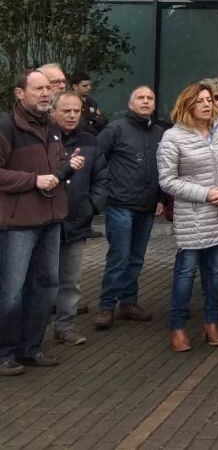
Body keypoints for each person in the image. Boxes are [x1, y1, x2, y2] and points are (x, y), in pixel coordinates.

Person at [0, 70, 84, 376]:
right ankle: (5, 353)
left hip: (51, 218)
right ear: (19, 94)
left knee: (47, 286)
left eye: (48, 88)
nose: (46, 93)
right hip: (19, 222)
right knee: (12, 291)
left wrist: (67, 167)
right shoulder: (6, 128)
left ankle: (31, 348)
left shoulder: (51, 125)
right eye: (38, 89)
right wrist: (34, 180)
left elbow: (53, 167)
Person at [158, 83, 218, 352]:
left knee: (217, 273)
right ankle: (177, 327)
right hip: (193, 216)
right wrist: (205, 193)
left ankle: (212, 322)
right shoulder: (172, 137)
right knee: (186, 272)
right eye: (200, 101)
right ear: (187, 105)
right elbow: (167, 180)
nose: (208, 105)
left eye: (210, 100)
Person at [94, 86, 165, 329]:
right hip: (120, 204)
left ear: (154, 104)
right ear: (130, 102)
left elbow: (163, 168)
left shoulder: (159, 132)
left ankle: (128, 303)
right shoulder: (115, 129)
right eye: (140, 98)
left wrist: (161, 199)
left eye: (150, 98)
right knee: (119, 257)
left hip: (147, 206)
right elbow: (95, 158)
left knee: (136, 258)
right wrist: (104, 191)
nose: (145, 101)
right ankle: (106, 306)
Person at [51, 91, 108, 346]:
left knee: (71, 281)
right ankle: (33, 330)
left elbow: (102, 179)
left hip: (77, 220)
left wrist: (91, 206)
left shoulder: (91, 141)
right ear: (53, 112)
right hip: (46, 221)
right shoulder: (44, 140)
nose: (72, 115)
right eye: (66, 111)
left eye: (76, 111)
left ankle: (65, 326)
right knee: (42, 279)